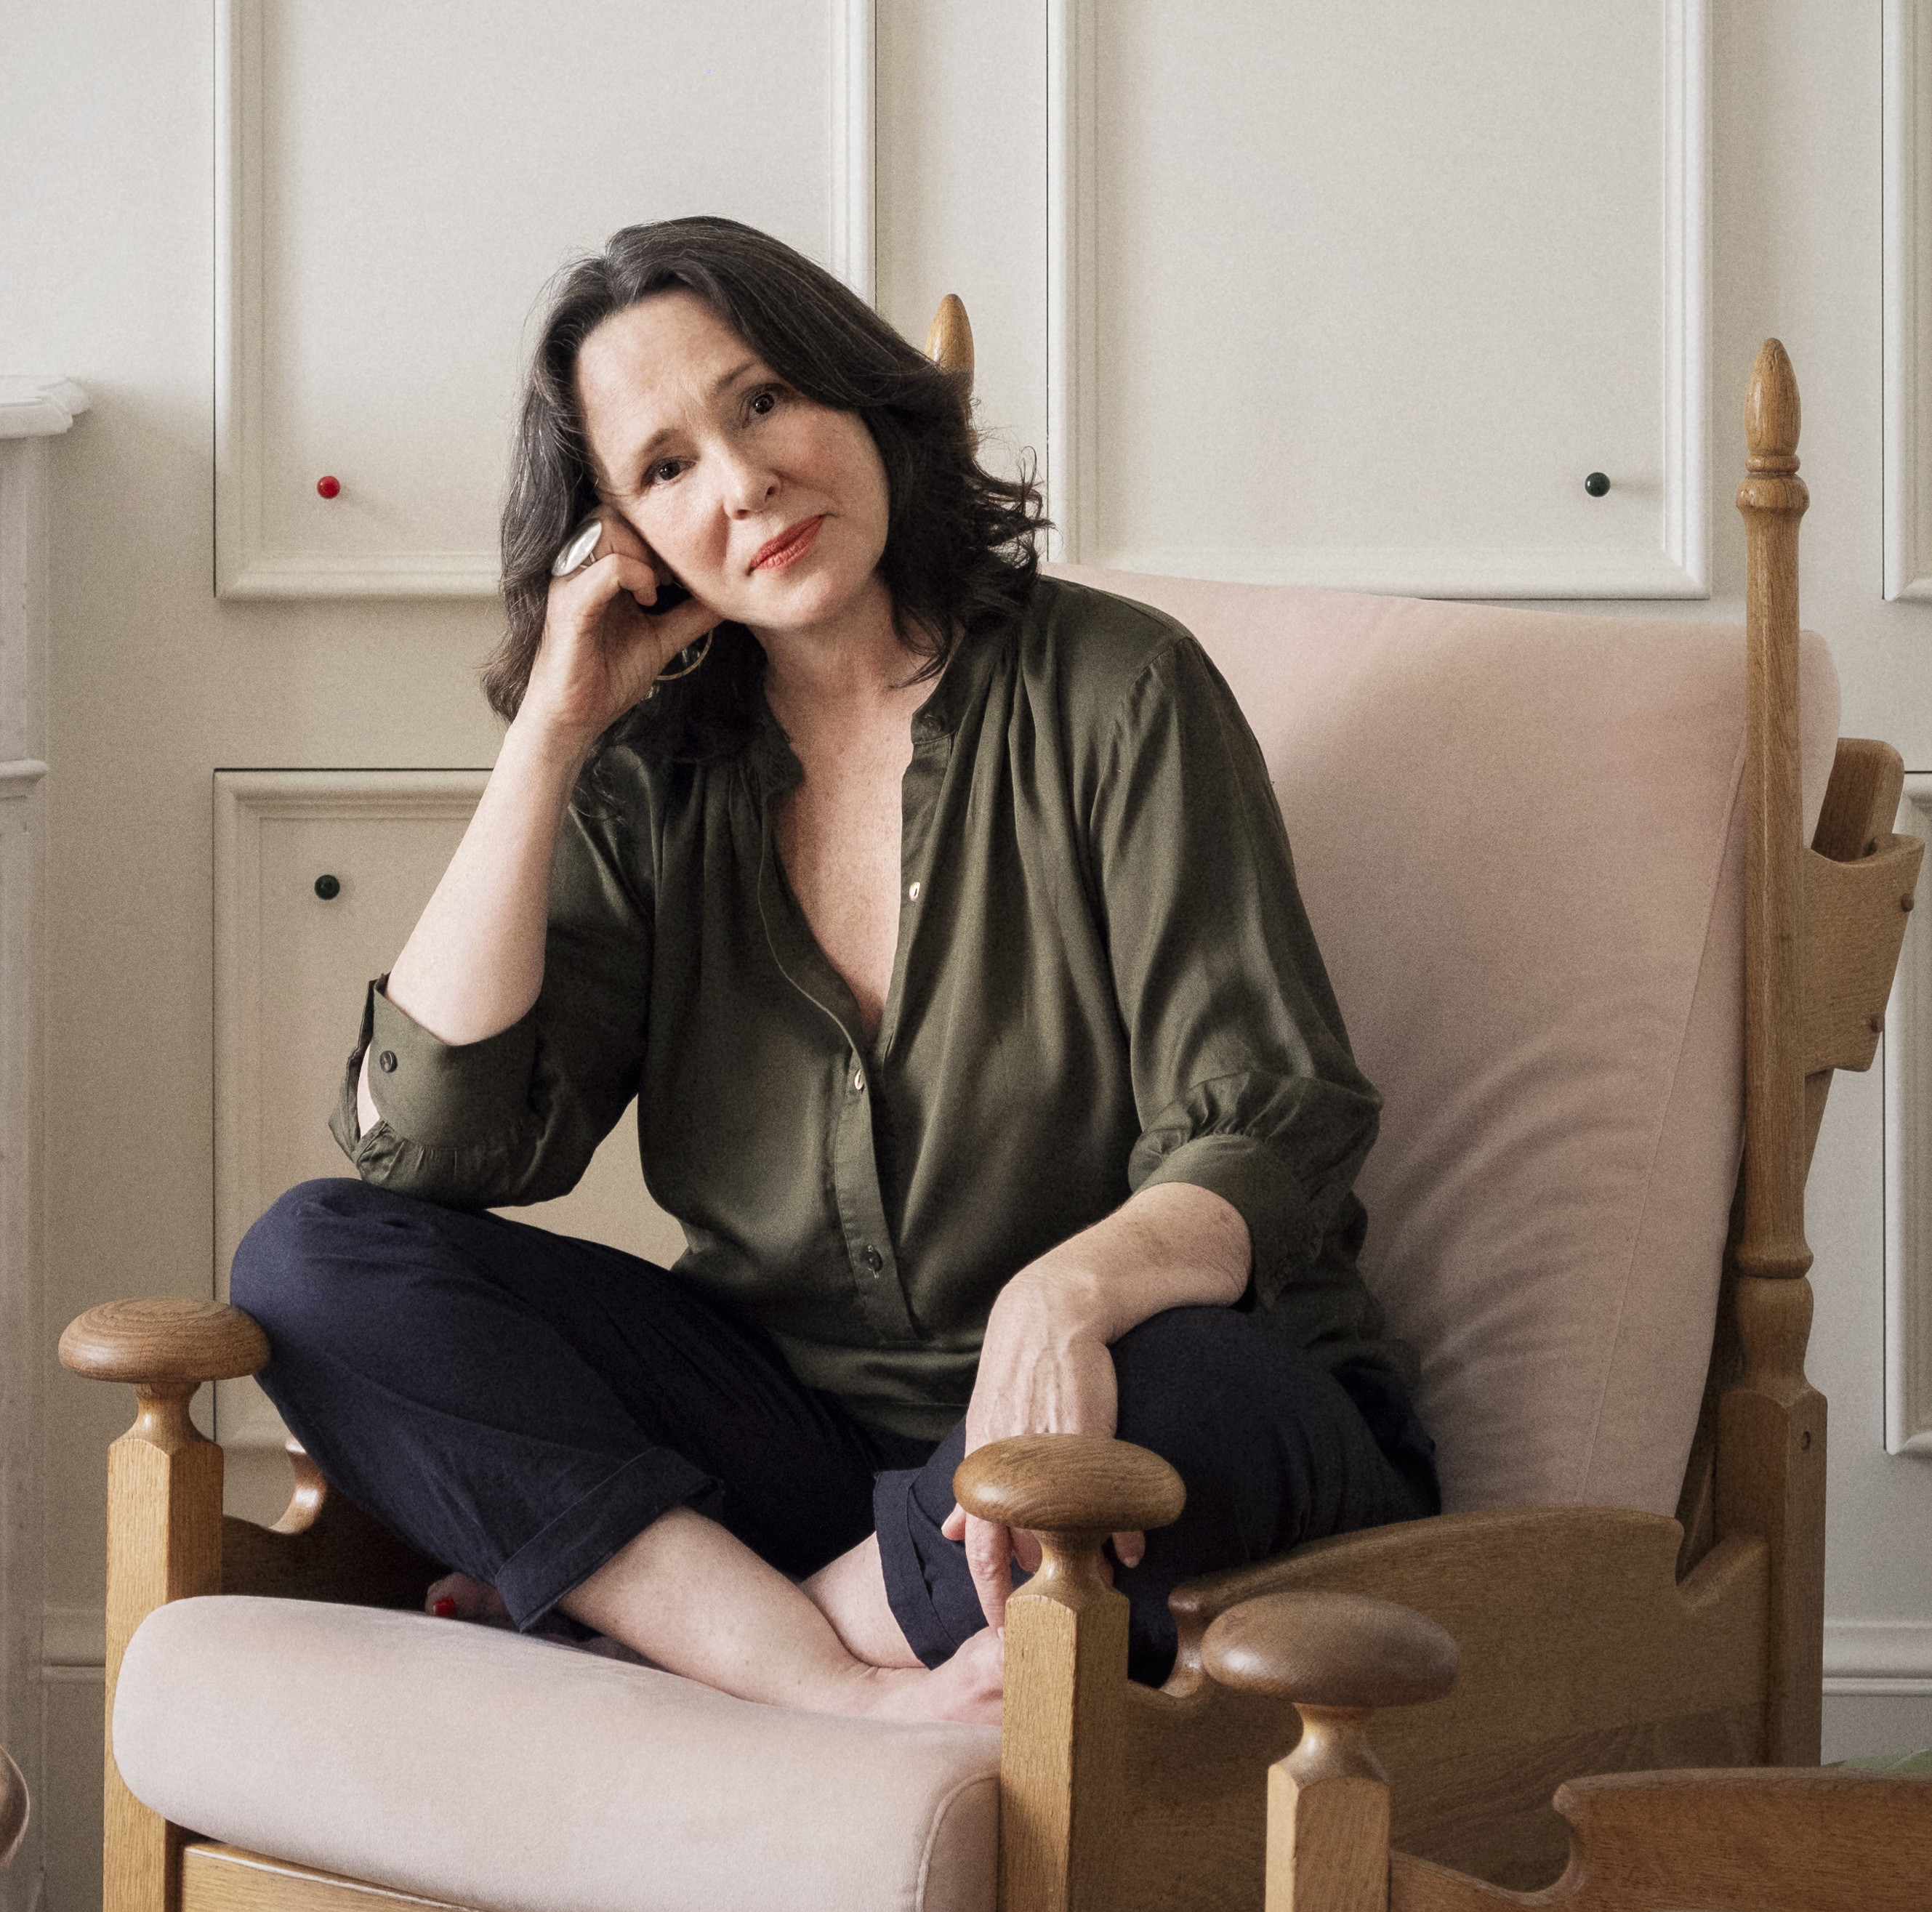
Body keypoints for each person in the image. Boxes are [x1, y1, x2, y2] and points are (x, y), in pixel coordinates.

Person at [231, 215, 1436, 1728]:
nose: (743, 485)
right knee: (307, 1261)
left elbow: (1267, 1122)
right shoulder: (655, 771)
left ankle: (683, 1639)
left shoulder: (1121, 692)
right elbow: (439, 1142)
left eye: (761, 401)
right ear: (625, 537)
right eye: (664, 468)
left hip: (1151, 1408)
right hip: (805, 1436)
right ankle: (819, 1671)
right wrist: (552, 730)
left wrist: (1059, 1302)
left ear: (861, 398)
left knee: (1187, 1390)